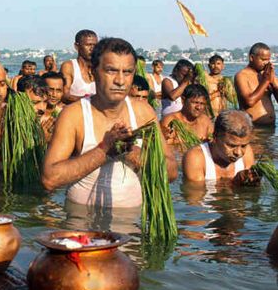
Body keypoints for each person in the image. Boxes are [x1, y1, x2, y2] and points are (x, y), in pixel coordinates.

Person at [42, 38, 177, 208]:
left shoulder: (143, 112)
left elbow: (171, 172)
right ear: (93, 72)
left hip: (132, 223)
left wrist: (133, 153)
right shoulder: (75, 115)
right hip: (82, 223)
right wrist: (105, 149)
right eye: (111, 71)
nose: (120, 81)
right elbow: (50, 178)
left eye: (127, 72)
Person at [182, 110, 256, 185]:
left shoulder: (247, 153)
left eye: (243, 146)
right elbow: (195, 193)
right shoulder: (195, 158)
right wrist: (234, 183)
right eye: (231, 145)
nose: (238, 152)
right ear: (215, 137)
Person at [235, 42, 278, 125]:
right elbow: (249, 102)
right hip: (252, 129)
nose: (266, 63)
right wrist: (265, 81)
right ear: (251, 58)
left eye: (268, 60)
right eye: (263, 59)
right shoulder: (241, 75)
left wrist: (273, 83)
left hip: (271, 130)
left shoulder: (267, 75)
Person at [60, 29, 98, 103]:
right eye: (88, 45)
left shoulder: (100, 67)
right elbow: (64, 95)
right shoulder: (69, 66)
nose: (92, 49)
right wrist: (87, 99)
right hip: (75, 111)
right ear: (77, 46)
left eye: (95, 45)